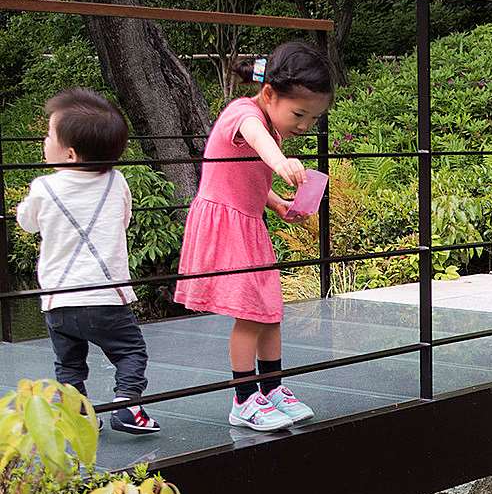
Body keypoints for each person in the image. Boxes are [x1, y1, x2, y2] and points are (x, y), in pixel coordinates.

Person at [174, 42, 333, 431]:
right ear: (269, 94)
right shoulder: (243, 113)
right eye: (299, 114)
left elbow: (245, 176)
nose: (304, 125)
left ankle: (272, 388)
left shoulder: (271, 126)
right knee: (250, 313)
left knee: (269, 310)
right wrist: (282, 163)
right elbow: (259, 144)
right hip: (227, 226)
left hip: (249, 223)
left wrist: (277, 203)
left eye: (313, 118)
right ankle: (244, 399)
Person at [17, 88, 160, 434]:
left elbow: (27, 222)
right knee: (130, 352)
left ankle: (79, 416)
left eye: (48, 135)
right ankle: (127, 405)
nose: (43, 140)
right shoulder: (116, 181)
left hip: (59, 300)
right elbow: (123, 220)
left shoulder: (43, 187)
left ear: (69, 154)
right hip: (106, 296)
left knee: (68, 365)